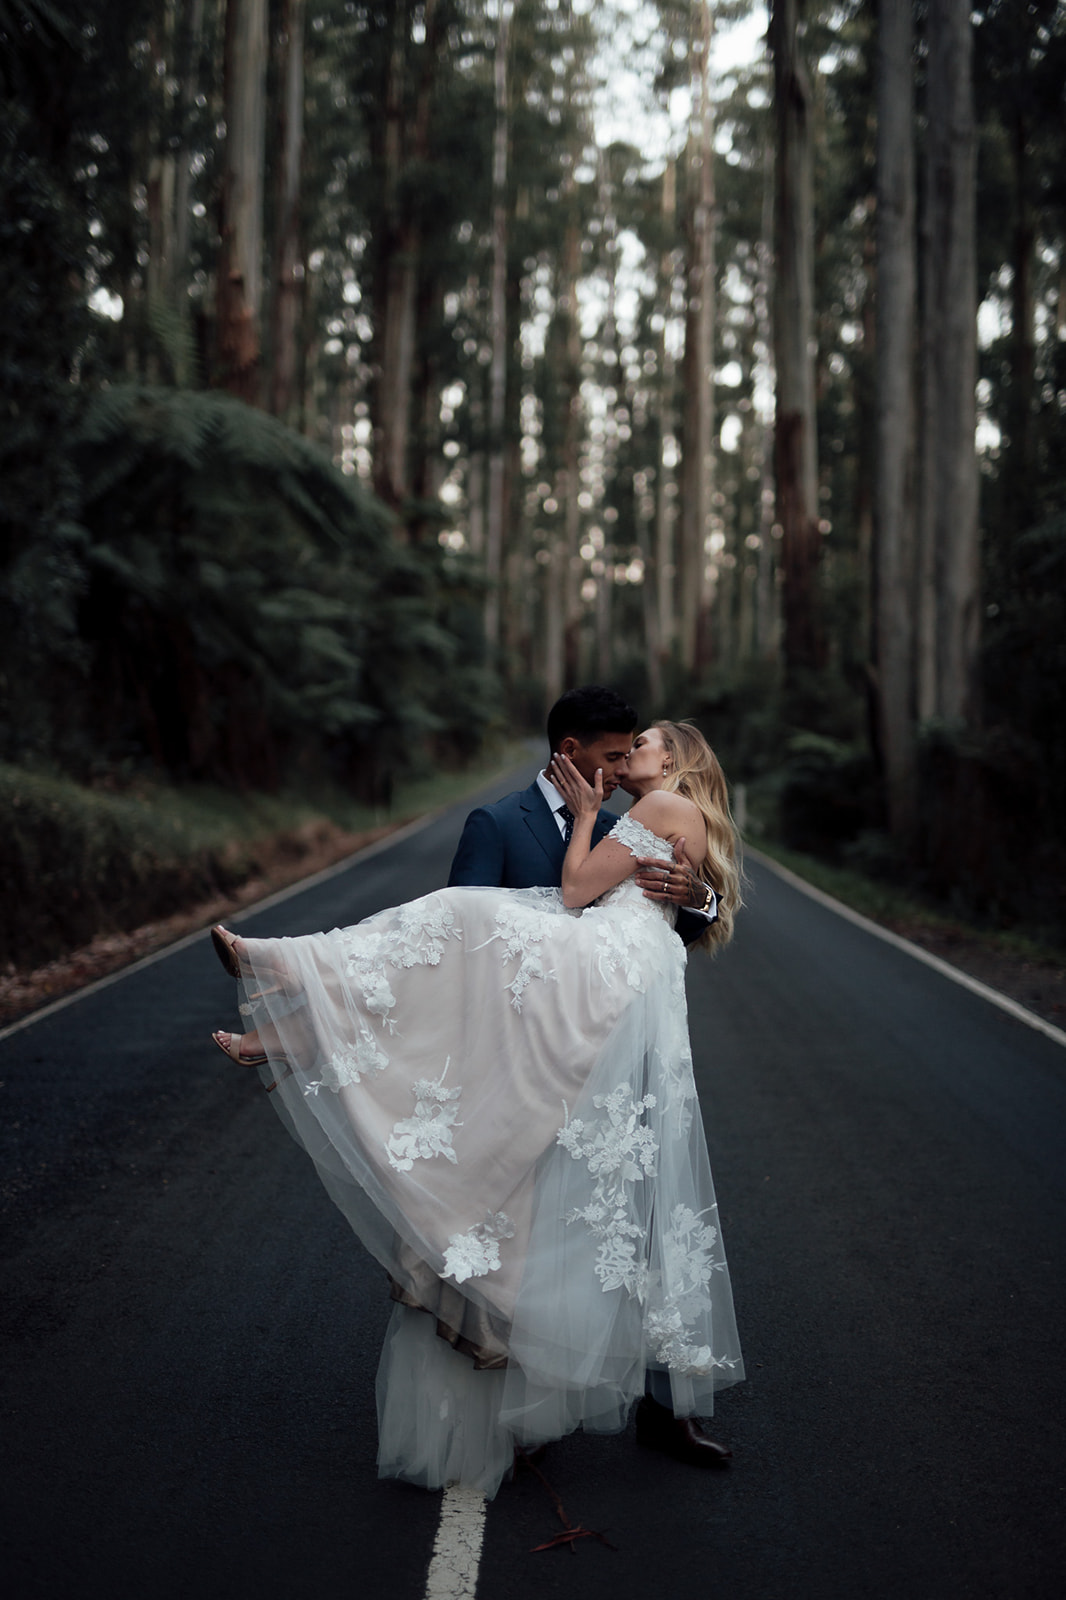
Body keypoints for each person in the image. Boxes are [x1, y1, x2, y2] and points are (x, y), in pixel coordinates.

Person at [210, 716, 744, 1498]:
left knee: (461, 916)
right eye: (617, 747)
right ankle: (289, 1015)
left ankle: (291, 975)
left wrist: (591, 821)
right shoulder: (523, 819)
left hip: (606, 977)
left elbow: (582, 892)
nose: (627, 755)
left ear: (674, 762)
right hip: (615, 983)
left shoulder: (659, 808)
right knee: (461, 925)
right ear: (568, 750)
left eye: (640, 745)